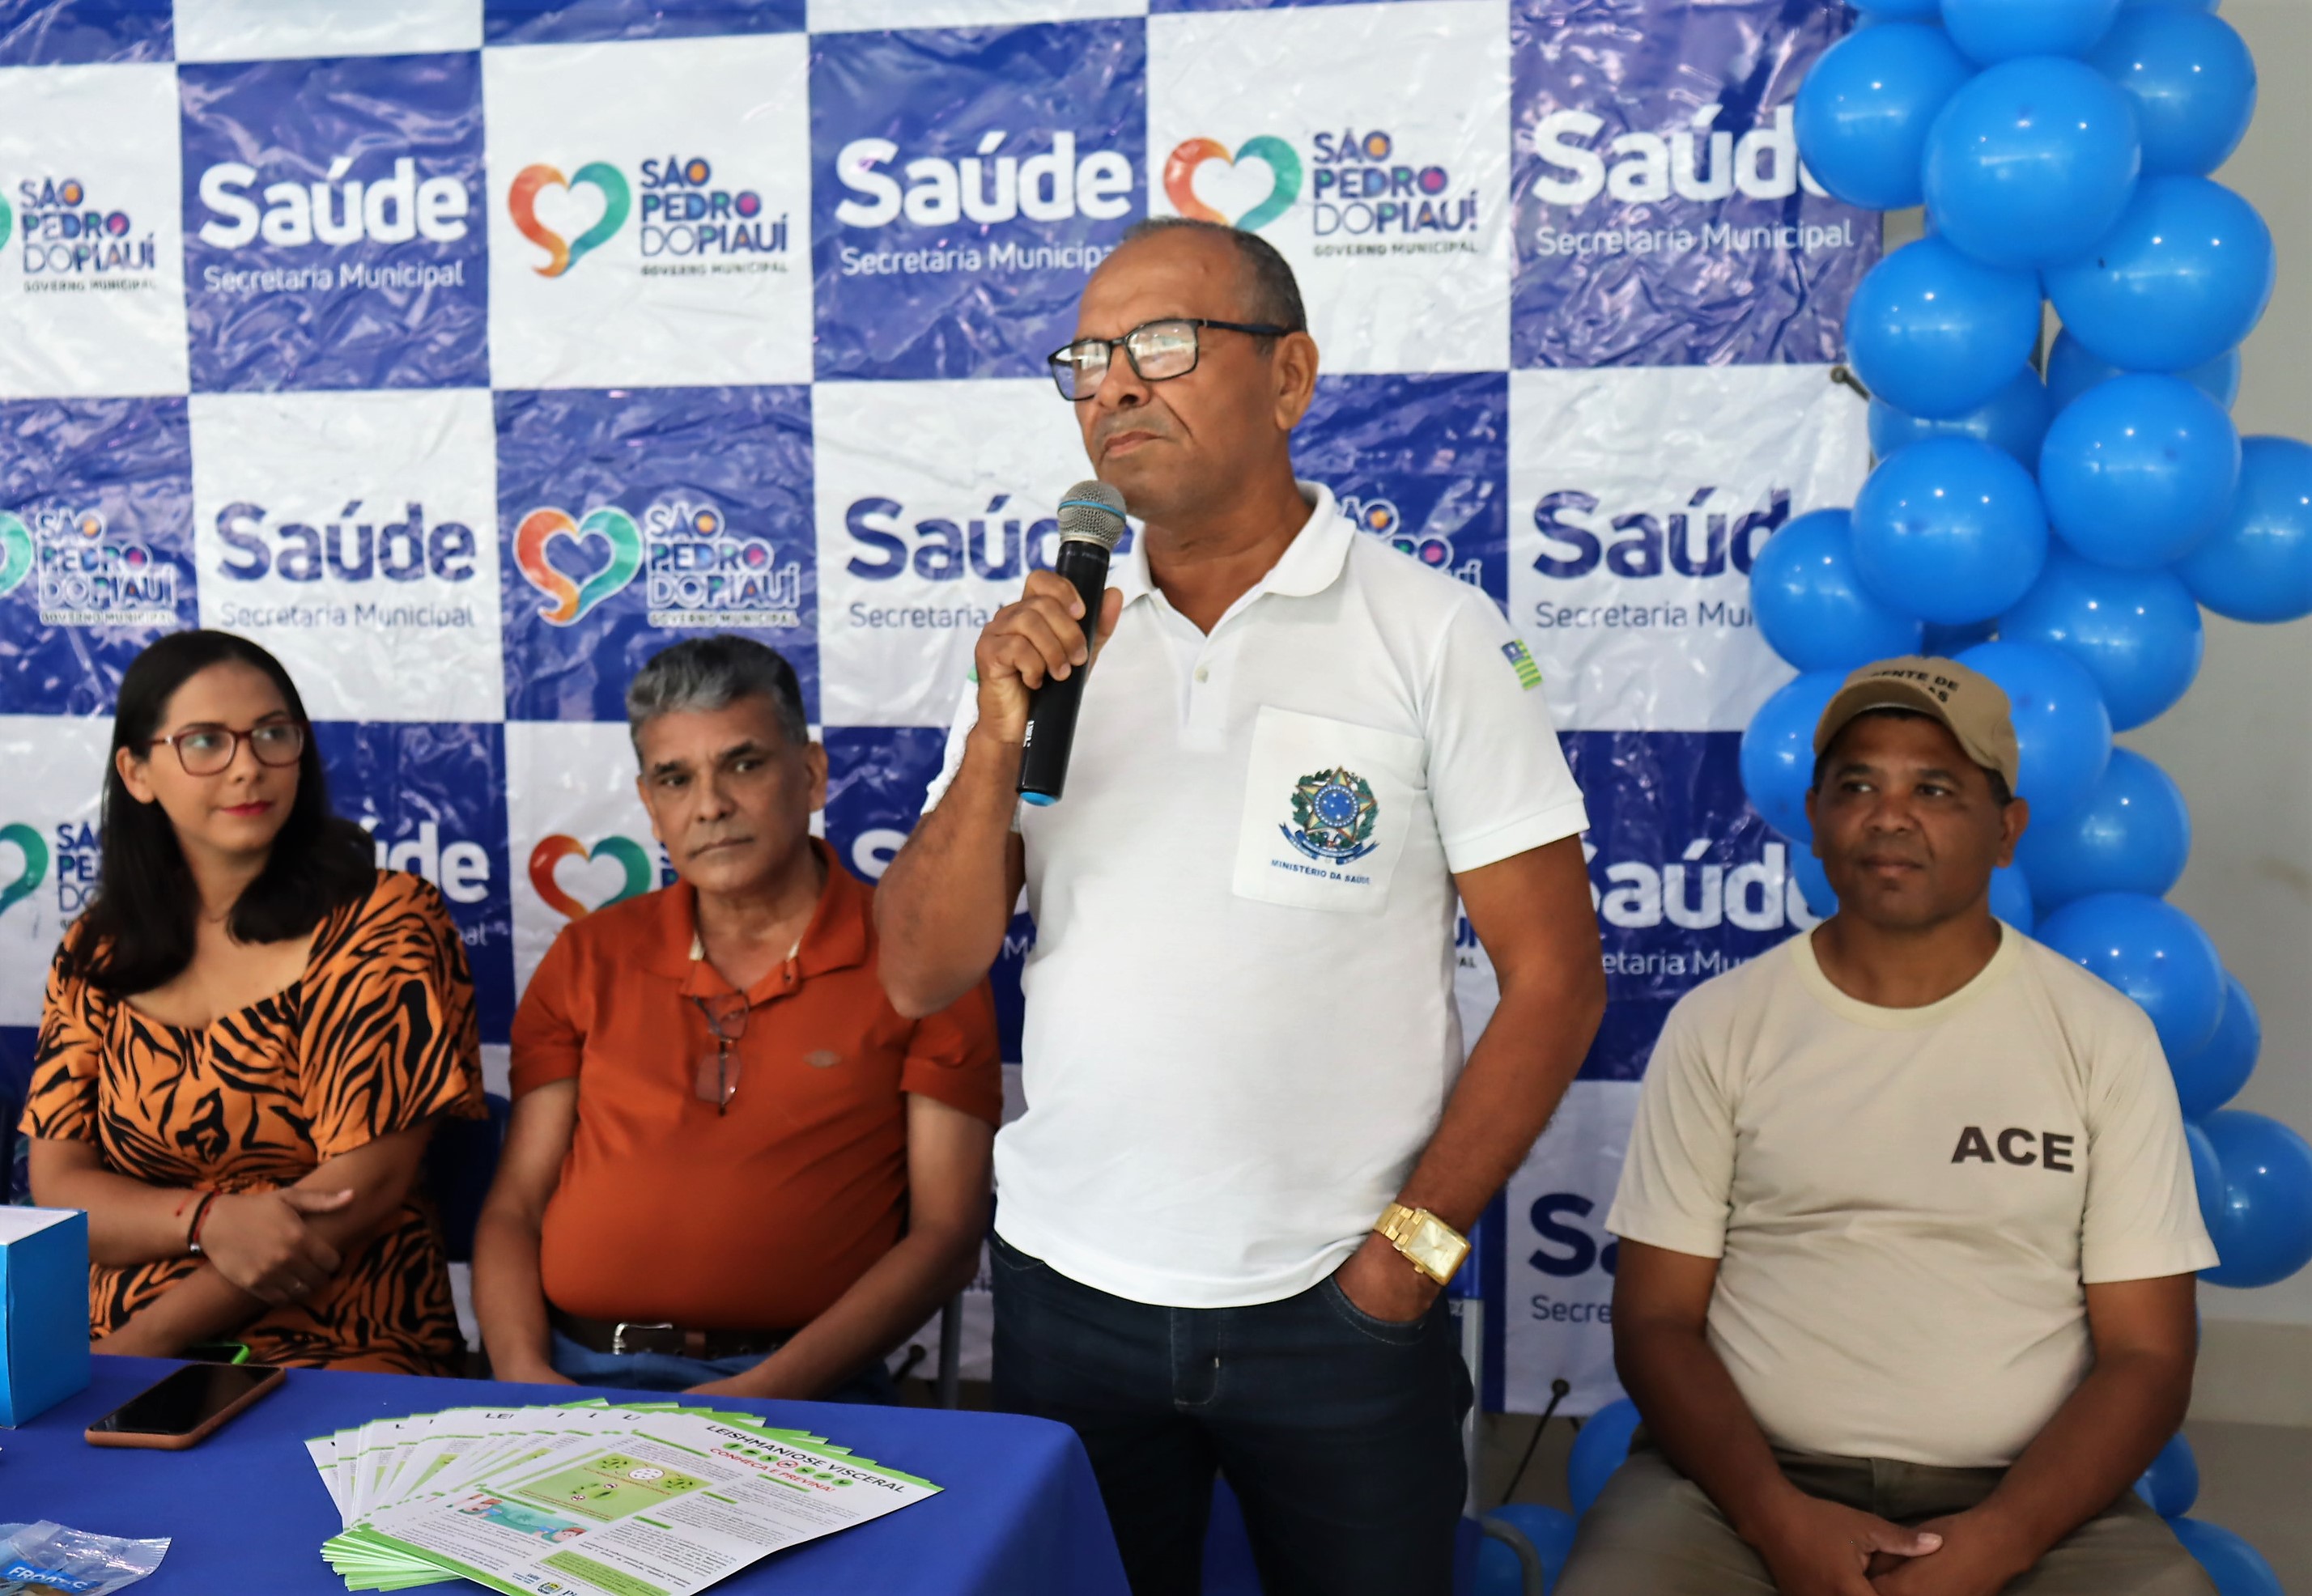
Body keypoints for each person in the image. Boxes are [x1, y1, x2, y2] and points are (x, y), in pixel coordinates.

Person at [874, 217, 1607, 1594]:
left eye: (1161, 344)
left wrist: (1407, 1258)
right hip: (1066, 1293)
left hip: (1339, 1310)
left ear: (1290, 378)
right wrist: (993, 741)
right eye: (1087, 360)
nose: (1113, 385)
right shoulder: (1050, 646)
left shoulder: (1432, 632)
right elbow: (919, 972)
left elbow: (1558, 978)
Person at [1559, 656, 2218, 1596]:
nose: (1890, 815)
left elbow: (2148, 1355)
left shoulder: (2101, 1037)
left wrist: (2000, 1540)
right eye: (1857, 785)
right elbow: (1655, 1321)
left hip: (2026, 1493)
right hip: (1739, 1484)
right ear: (1815, 819)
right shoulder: (1722, 1023)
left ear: (2007, 830)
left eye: (1935, 789)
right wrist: (1777, 1519)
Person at [473, 635, 1001, 1400]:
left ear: (811, 775)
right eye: (676, 779)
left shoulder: (922, 964)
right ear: (650, 805)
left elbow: (947, 1238)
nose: (711, 805)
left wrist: (749, 1398)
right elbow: (515, 1208)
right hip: (576, 1377)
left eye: (744, 764)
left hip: (808, 1390)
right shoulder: (588, 955)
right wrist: (526, 1381)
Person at [23, 630, 484, 1373]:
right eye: (206, 742)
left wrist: (140, 1348)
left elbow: (359, 1192)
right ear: (137, 772)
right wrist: (206, 1220)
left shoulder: (384, 918)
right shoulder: (97, 949)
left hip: (344, 1342)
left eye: (272, 734)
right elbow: (60, 1190)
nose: (248, 767)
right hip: (117, 1343)